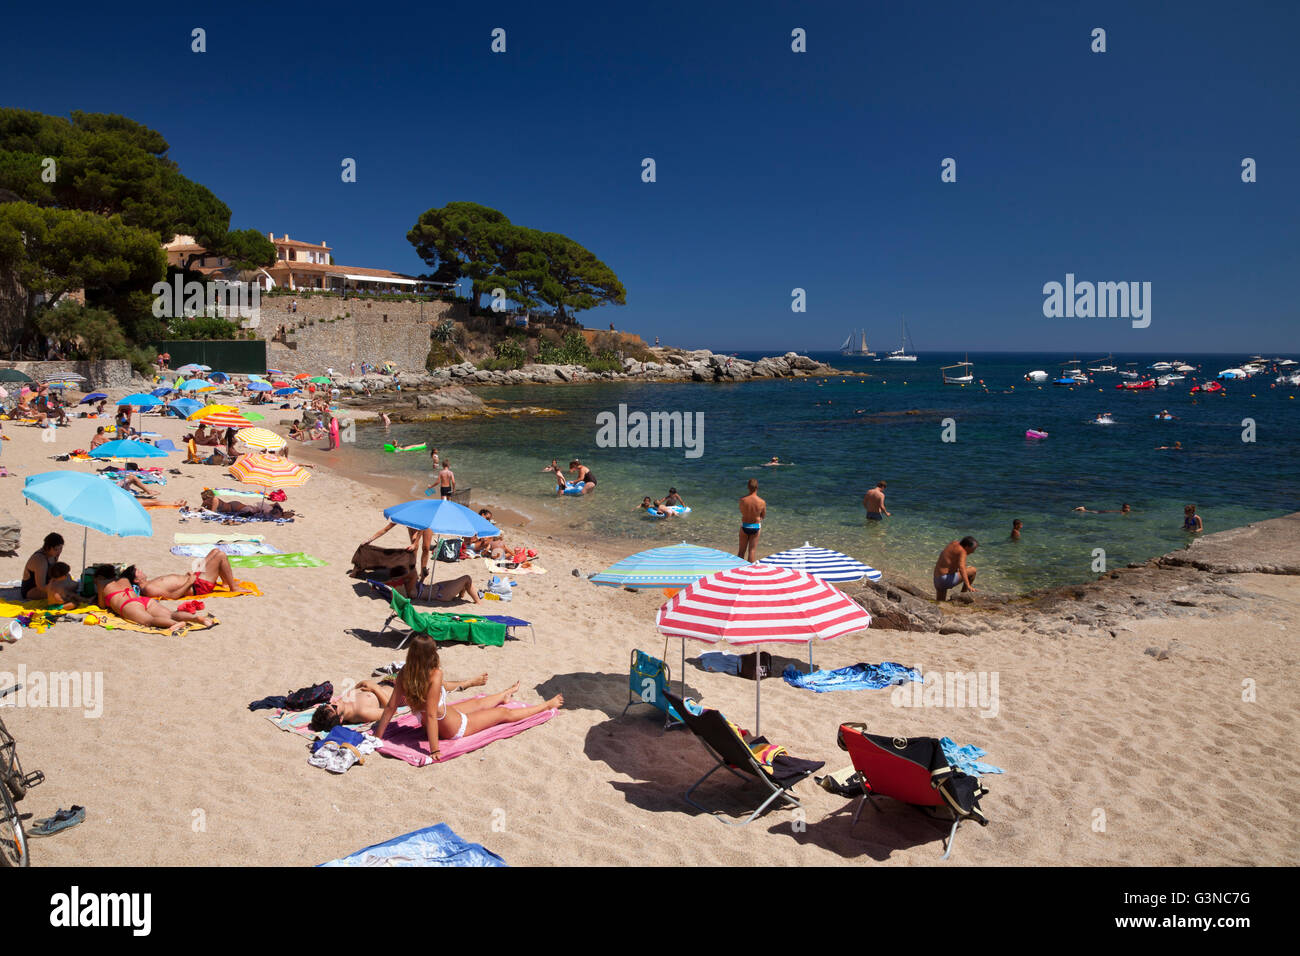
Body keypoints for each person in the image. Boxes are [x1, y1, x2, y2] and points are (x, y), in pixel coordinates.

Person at [371, 634, 562, 761]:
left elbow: (391, 707)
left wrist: (377, 737)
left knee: (477, 702)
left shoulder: (405, 673)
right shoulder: (435, 674)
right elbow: (430, 715)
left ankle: (505, 694)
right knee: (503, 713)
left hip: (444, 717)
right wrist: (435, 749)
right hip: (454, 728)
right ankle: (546, 705)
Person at [310, 673, 490, 732]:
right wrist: (374, 688)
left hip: (388, 681)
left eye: (329, 704)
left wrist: (367, 685)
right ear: (340, 720)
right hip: (401, 692)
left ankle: (461, 684)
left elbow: (360, 686)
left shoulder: (343, 702)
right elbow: (391, 711)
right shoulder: (362, 713)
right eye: (333, 707)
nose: (333, 703)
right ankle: (466, 684)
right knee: (434, 681)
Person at [93, 565, 216, 632]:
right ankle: (197, 619)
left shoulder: (101, 583)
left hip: (128, 604)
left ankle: (176, 624)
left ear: (100, 576)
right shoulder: (124, 579)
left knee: (149, 621)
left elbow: (102, 605)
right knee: (171, 614)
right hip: (143, 600)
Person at [137, 549, 240, 599]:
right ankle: (233, 587)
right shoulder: (149, 589)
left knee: (215, 551)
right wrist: (189, 582)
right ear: (136, 580)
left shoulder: (149, 583)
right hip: (197, 586)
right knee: (220, 555)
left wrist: (187, 577)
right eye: (137, 571)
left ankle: (226, 582)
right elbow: (172, 596)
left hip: (194, 580)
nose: (140, 570)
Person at [361, 520, 433, 582]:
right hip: (415, 523)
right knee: (414, 548)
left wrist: (415, 543)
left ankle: (423, 573)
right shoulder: (403, 517)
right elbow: (386, 529)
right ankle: (413, 572)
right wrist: (369, 540)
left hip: (426, 522)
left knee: (426, 548)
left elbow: (423, 527)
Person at [21, 533, 65, 601]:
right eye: (56, 549)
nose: (59, 552)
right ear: (48, 548)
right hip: (32, 590)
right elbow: (41, 586)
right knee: (61, 593)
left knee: (68, 581)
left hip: (47, 584)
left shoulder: (54, 554)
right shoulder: (40, 560)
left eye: (61, 548)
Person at [199, 488, 294, 519]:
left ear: (209, 497)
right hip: (234, 506)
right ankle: (277, 510)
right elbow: (202, 508)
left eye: (204, 499)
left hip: (235, 507)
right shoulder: (209, 501)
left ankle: (279, 512)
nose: (203, 501)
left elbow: (212, 512)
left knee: (256, 511)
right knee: (256, 510)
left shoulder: (214, 500)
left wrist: (203, 509)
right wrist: (201, 508)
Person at [933, 537, 978, 601]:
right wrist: (968, 585)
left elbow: (949, 559)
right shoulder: (962, 551)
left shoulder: (953, 543)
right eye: (973, 549)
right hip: (945, 580)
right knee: (973, 570)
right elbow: (962, 568)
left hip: (937, 579)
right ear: (967, 547)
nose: (973, 552)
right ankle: (963, 595)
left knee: (940, 602)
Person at [738, 478, 766, 561]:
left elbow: (742, 511)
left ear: (748, 487)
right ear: (757, 487)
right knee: (752, 551)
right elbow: (763, 516)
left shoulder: (742, 500)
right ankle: (749, 572)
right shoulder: (762, 502)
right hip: (756, 526)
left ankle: (737, 571)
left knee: (741, 552)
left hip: (745, 525)